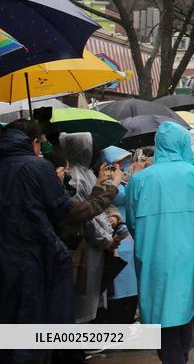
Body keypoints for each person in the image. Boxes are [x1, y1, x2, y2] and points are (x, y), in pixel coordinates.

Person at [0, 120, 120, 364]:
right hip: (35, 261)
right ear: (34, 142)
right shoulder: (38, 167)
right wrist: (110, 190)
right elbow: (67, 212)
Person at [125, 122, 194, 364]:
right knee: (183, 309)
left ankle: (173, 357)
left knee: (160, 313)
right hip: (188, 253)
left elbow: (131, 220)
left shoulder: (140, 179)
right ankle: (182, 355)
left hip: (153, 254)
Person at [61, 132, 121, 325]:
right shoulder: (75, 178)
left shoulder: (85, 174)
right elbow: (86, 214)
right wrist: (105, 240)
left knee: (92, 295)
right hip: (86, 246)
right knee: (84, 296)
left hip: (94, 245)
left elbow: (93, 205)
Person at [98, 146, 139, 325]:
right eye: (118, 163)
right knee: (118, 291)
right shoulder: (107, 183)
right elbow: (126, 197)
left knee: (130, 291)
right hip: (117, 240)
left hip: (129, 238)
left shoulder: (122, 181)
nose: (122, 166)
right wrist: (136, 176)